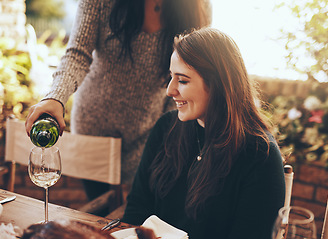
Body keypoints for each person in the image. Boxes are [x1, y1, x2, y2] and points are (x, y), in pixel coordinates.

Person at [24, 0, 212, 202]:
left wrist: (172, 126)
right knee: (103, 213)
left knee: (144, 207)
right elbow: (78, 53)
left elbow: (190, 73)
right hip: (94, 128)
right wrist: (56, 97)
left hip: (153, 130)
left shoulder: (198, 6)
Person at [121, 27, 286, 239]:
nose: (170, 90)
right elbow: (136, 210)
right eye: (171, 77)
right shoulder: (165, 128)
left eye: (182, 80)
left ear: (218, 84)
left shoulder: (259, 155)